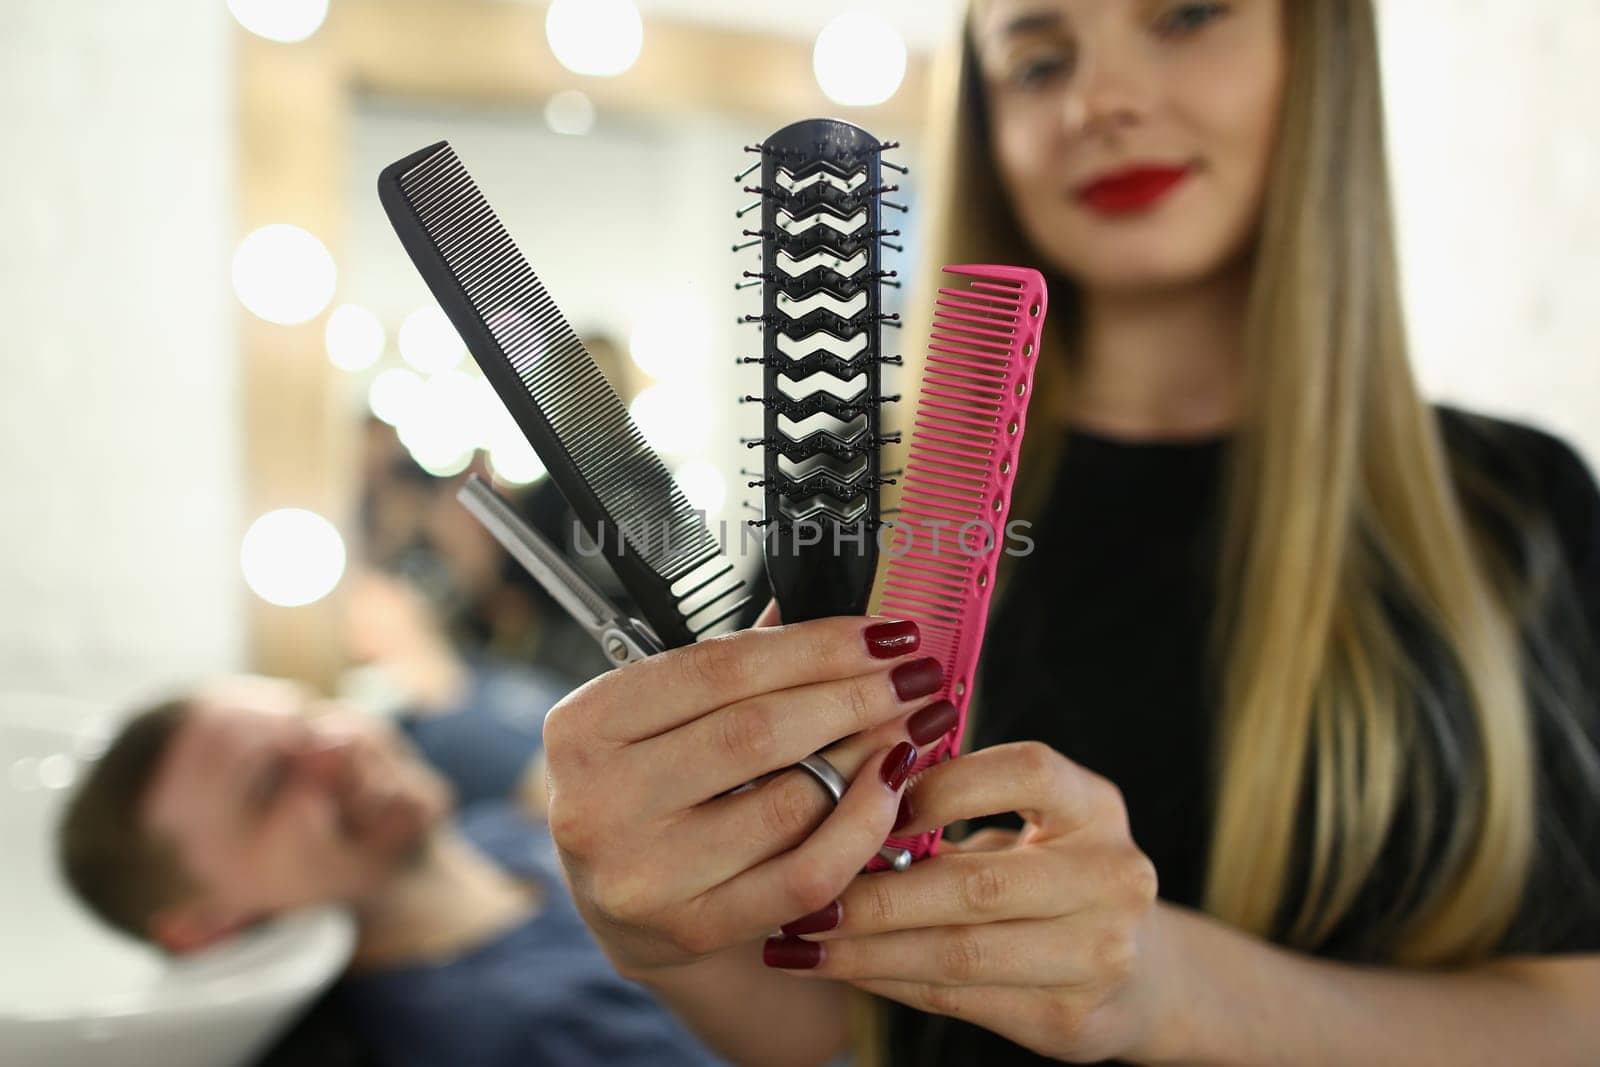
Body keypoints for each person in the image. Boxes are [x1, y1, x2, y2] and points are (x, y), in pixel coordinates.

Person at [535, 1, 1600, 1064]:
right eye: (1039, 62)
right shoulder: (854, 496)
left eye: (1185, 17)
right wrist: (668, 939)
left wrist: (1170, 985)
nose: (1101, 101)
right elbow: (840, 1029)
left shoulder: (1512, 508)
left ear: (1320, 48)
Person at [56, 675, 725, 1067]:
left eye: (311, 717)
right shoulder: (498, 1037)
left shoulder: (502, 828)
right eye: (269, 784)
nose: (337, 748)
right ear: (202, 923)